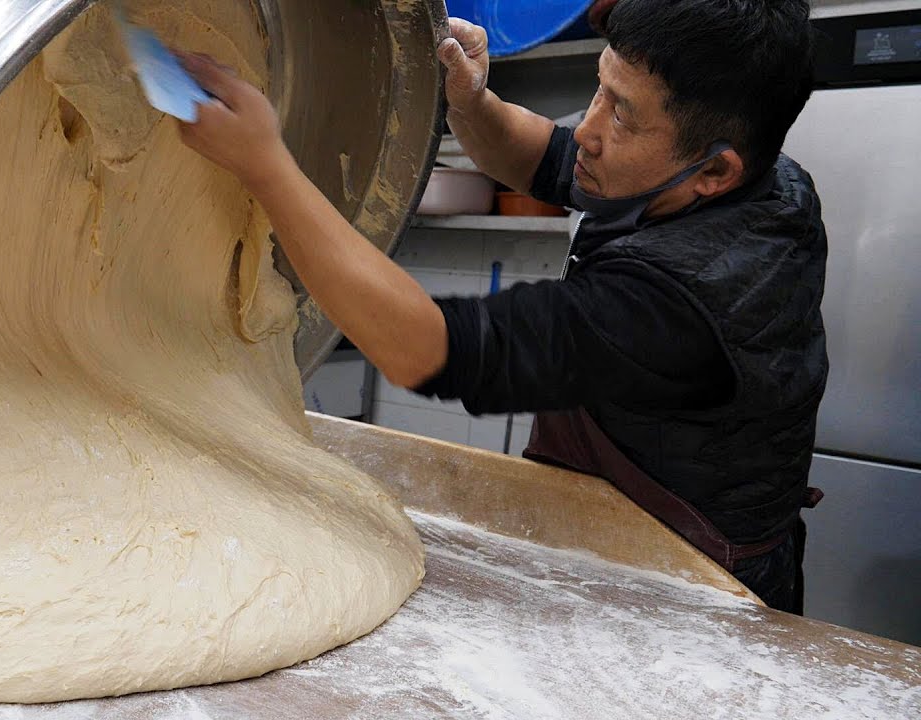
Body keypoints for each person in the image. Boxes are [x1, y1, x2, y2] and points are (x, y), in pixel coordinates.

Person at [176, 0, 828, 614]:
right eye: (600, 88)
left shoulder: (684, 301)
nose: (590, 129)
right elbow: (547, 157)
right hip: (612, 521)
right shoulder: (721, 174)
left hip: (691, 584)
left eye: (622, 115)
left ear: (717, 172)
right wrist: (472, 101)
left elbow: (431, 350)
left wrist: (265, 166)